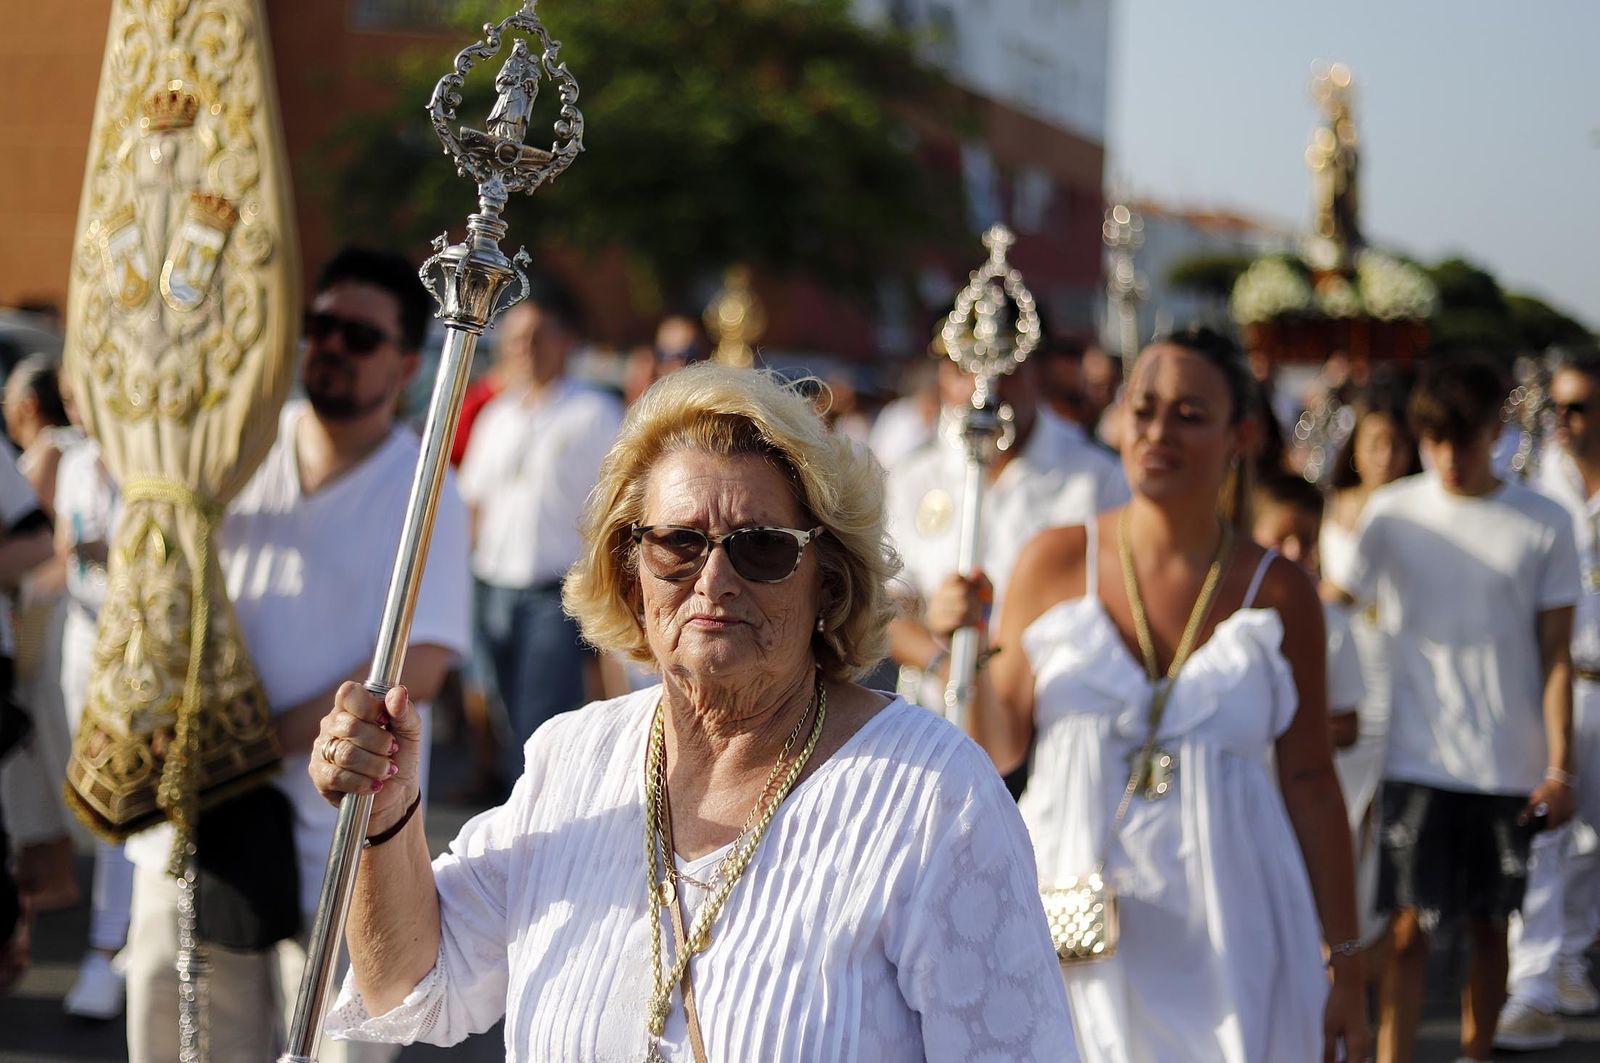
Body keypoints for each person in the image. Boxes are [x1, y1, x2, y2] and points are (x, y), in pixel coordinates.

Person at [314, 363, 1078, 1061]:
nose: (713, 579)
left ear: (828, 582)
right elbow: (410, 983)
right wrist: (387, 811)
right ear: (630, 570)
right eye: (679, 543)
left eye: (762, 547)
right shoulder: (571, 760)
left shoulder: (932, 797)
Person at [966, 327, 1370, 1062]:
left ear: (1240, 433)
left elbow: (1311, 780)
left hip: (1234, 932)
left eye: (1189, 414)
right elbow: (998, 749)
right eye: (1143, 408)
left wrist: (1344, 957)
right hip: (1074, 919)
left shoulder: (1279, 590)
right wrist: (972, 651)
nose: (1157, 432)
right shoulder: (1052, 560)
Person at [121, 247, 472, 1062]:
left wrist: (263, 738)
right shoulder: (235, 450)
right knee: (181, 1018)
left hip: (334, 820)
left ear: (409, 364)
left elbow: (424, 661)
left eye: (359, 334)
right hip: (203, 802)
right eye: (320, 327)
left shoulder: (424, 485)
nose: (332, 348)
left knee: (331, 1040)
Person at [1328, 357, 1579, 1063]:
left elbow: (1557, 654)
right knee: (1406, 930)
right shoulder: (1392, 510)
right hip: (1415, 753)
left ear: (1496, 429)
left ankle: (1476, 1054)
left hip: (1509, 761)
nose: (1446, 457)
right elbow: (1331, 608)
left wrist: (1562, 768)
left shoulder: (1545, 521)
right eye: (1431, 440)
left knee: (1490, 927)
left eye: (1461, 440)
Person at [885, 350, 1127, 716]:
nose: (985, 388)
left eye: (1006, 369)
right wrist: (943, 662)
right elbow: (885, 605)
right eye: (965, 369)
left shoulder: (1098, 478)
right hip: (933, 716)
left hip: (1055, 719)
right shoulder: (913, 476)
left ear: (1036, 372)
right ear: (943, 376)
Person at [456, 283, 624, 784]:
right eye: (513, 339)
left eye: (536, 337)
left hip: (552, 591)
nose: (522, 349)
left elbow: (613, 508)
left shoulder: (593, 412)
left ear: (565, 341)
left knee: (538, 721)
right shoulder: (497, 415)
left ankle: (528, 832)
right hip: (490, 586)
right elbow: (475, 504)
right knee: (501, 710)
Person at [1496, 353, 1600, 1049]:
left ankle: (1570, 955)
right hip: (1560, 675)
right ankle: (1531, 983)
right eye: (1559, 408)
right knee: (1546, 825)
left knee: (1593, 842)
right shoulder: (1535, 478)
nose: (1567, 421)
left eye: (1582, 407)